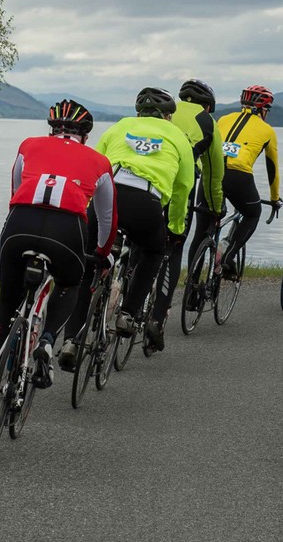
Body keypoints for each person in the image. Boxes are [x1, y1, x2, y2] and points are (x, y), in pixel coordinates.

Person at [0, 99, 118, 417]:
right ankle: (48, 340)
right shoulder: (100, 161)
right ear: (86, 136)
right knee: (70, 282)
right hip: (68, 232)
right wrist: (102, 255)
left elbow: (15, 190)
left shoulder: (28, 145)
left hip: (20, 224)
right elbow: (107, 220)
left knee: (6, 305)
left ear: (52, 129)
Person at [60, 87, 194, 363]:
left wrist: (86, 210)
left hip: (107, 197)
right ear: (168, 116)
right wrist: (176, 228)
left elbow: (93, 164)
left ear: (138, 112)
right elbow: (183, 188)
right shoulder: (178, 137)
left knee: (91, 265)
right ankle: (128, 313)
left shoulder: (120, 127)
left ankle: (71, 341)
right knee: (154, 252)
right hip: (146, 202)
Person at [152, 78, 225, 329]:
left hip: (147, 177)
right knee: (175, 243)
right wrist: (216, 207)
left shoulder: (167, 111)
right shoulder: (208, 123)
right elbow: (213, 174)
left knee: (145, 236)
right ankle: (157, 319)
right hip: (181, 180)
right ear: (207, 107)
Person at [203, 85, 281, 279]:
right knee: (253, 213)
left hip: (212, 173)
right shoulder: (268, 130)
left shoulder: (223, 119)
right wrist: (275, 198)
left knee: (204, 228)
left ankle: (194, 280)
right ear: (263, 109)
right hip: (239, 176)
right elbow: (272, 169)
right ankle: (229, 257)